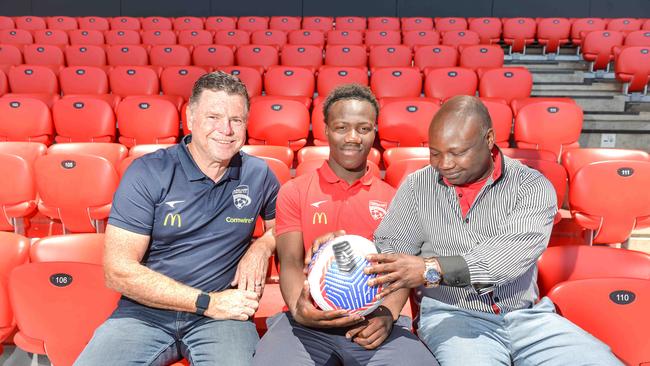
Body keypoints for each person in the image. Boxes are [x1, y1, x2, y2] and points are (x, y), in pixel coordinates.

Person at [365, 95, 622, 365]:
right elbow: (392, 252)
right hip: (453, 316)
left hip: (527, 317)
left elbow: (506, 258)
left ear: (488, 139)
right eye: (435, 153)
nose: (444, 164)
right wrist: (386, 311)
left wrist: (431, 268)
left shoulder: (531, 187)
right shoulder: (417, 186)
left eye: (457, 152)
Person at [75, 72, 280, 366]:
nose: (226, 129)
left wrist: (261, 246)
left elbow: (281, 228)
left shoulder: (258, 174)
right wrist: (206, 302)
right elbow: (117, 270)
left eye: (236, 120)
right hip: (146, 312)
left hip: (223, 319)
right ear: (191, 116)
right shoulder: (147, 172)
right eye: (213, 117)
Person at [252, 84, 438, 366]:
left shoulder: (393, 198)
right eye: (341, 127)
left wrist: (387, 314)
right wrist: (299, 309)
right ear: (325, 129)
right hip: (307, 323)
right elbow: (289, 261)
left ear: (375, 132)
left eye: (363, 129)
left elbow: (399, 268)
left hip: (373, 322)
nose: (352, 138)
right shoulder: (295, 191)